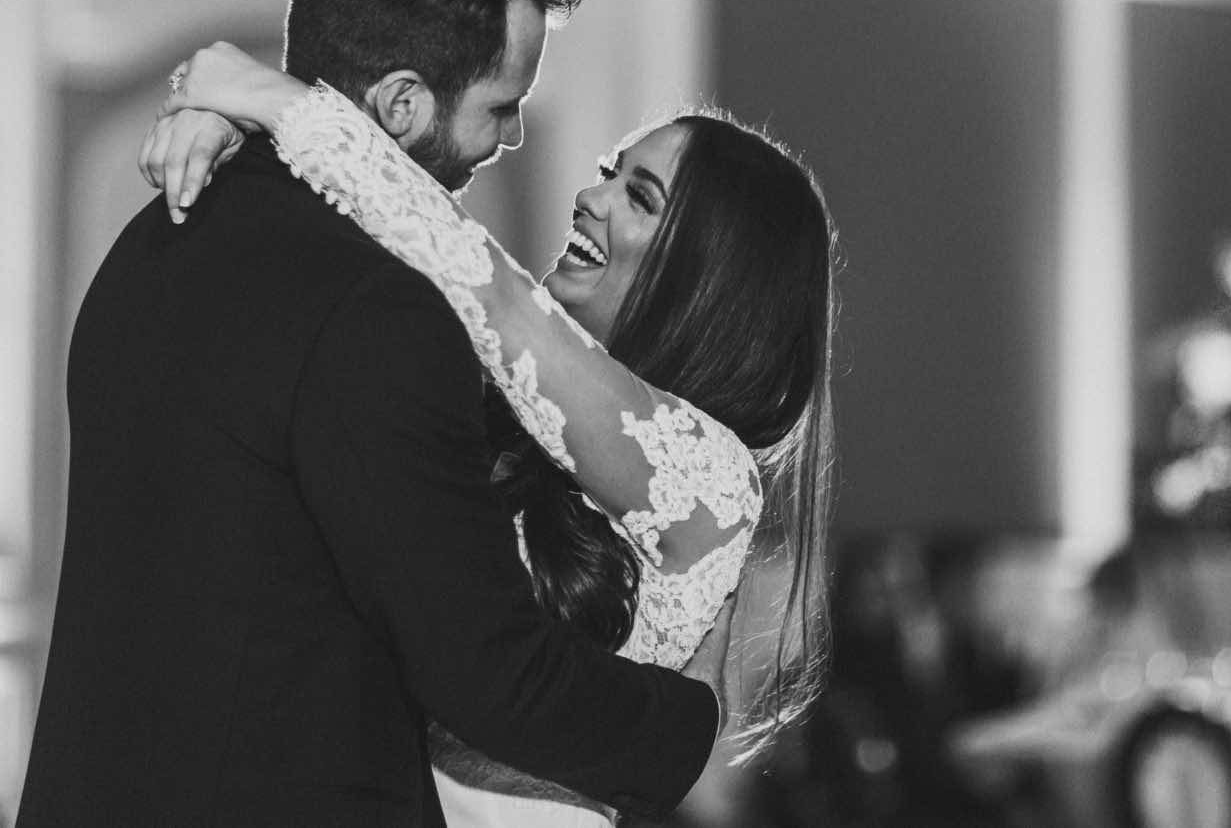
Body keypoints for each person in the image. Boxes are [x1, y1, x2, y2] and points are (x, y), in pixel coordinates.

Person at [20, 0, 726, 827]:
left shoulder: (153, 241)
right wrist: (684, 725)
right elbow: (487, 671)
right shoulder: (377, 313)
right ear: (401, 105)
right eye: (500, 104)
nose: (514, 138)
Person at [138, 42, 838, 826]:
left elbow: (486, 287)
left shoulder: (712, 478)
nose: (588, 195)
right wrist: (234, 134)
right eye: (607, 171)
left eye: (637, 197)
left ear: (709, 280)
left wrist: (274, 99)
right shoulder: (496, 408)